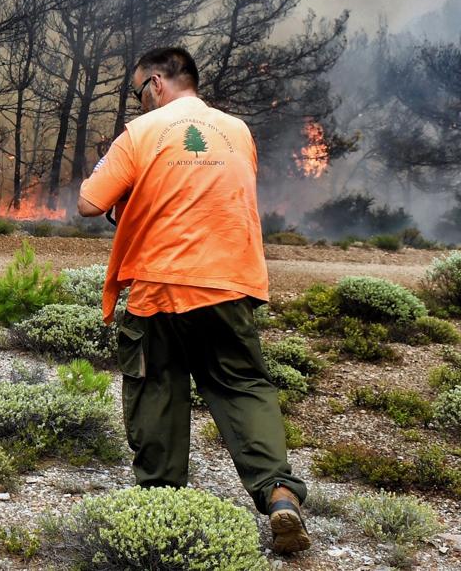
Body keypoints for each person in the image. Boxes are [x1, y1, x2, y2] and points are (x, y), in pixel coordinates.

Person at [78, 46, 311, 554]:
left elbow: (90, 203)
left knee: (157, 387)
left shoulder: (140, 132)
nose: (139, 101)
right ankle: (278, 494)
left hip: (160, 285)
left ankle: (162, 508)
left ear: (157, 83)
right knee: (243, 386)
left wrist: (115, 170)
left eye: (138, 91)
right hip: (231, 283)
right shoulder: (238, 131)